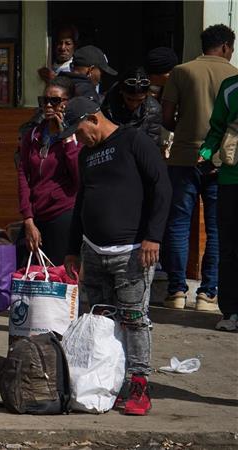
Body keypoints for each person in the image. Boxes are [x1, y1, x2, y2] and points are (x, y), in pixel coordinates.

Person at [62, 97, 172, 416]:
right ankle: (108, 380)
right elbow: (81, 201)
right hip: (93, 250)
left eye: (78, 130)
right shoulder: (87, 155)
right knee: (101, 319)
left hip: (133, 251)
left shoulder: (134, 140)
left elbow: (161, 187)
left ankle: (139, 384)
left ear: (93, 119)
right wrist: (72, 248)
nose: (77, 138)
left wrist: (153, 236)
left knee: (134, 319)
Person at [161, 24, 238, 311]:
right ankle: (207, 294)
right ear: (226, 47)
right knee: (217, 229)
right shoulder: (234, 76)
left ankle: (177, 292)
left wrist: (183, 128)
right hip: (222, 161)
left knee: (179, 223)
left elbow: (166, 117)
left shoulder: (181, 71)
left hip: (183, 157)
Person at [17, 77, 83, 266]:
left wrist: (67, 138)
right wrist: (28, 218)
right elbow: (23, 175)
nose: (48, 105)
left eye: (54, 101)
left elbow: (79, 177)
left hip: (62, 213)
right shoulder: (33, 134)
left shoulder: (78, 135)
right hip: (35, 214)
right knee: (25, 270)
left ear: (67, 103)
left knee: (59, 275)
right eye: (44, 100)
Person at [197, 74, 238, 331]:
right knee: (230, 248)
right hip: (231, 180)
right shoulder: (230, 87)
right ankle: (231, 312)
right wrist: (205, 153)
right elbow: (217, 128)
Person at [102, 67, 163, 147]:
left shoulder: (153, 110)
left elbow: (152, 144)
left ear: (147, 94)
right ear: (121, 91)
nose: (134, 104)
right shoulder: (106, 104)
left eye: (140, 100)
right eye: (129, 99)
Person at [145, 47, 179, 159]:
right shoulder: (137, 93)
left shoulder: (172, 90)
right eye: (170, 73)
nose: (173, 76)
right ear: (156, 74)